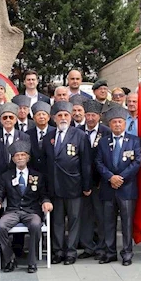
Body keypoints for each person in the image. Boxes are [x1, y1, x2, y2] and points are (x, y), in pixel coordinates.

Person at [0, 138, 52, 273]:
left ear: (28, 157)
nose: (20, 158)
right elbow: (0, 194)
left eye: (23, 155)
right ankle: (10, 258)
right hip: (12, 211)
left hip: (31, 211)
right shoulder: (6, 176)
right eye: (17, 155)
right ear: (13, 159)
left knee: (36, 225)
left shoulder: (38, 176)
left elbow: (43, 194)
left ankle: (32, 262)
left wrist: (46, 202)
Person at [45, 101, 92, 265]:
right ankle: (58, 251)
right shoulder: (49, 136)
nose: (63, 118)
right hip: (55, 188)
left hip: (74, 186)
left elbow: (86, 163)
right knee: (57, 222)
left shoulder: (80, 135)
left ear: (71, 117)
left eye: (66, 115)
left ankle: (71, 252)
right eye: (60, 115)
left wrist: (86, 186)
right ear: (54, 118)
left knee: (73, 221)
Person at [95, 106, 141, 265]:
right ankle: (110, 252)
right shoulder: (103, 142)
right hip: (108, 188)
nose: (117, 125)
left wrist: (120, 177)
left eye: (120, 122)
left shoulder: (135, 141)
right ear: (109, 124)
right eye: (114, 122)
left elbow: (137, 162)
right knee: (108, 222)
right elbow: (99, 162)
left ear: (125, 123)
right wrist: (110, 177)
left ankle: (127, 253)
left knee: (127, 223)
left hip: (127, 188)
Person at [79, 100, 110, 260]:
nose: (90, 118)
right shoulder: (76, 131)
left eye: (94, 115)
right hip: (82, 182)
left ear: (99, 116)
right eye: (88, 115)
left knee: (101, 216)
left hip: (101, 182)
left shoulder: (106, 132)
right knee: (85, 216)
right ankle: (88, 246)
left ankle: (101, 247)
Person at [27, 102, 54, 177]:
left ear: (48, 117)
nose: (41, 117)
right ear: (34, 118)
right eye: (38, 114)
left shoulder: (55, 132)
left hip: (51, 173)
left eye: (44, 114)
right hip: (34, 173)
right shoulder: (27, 134)